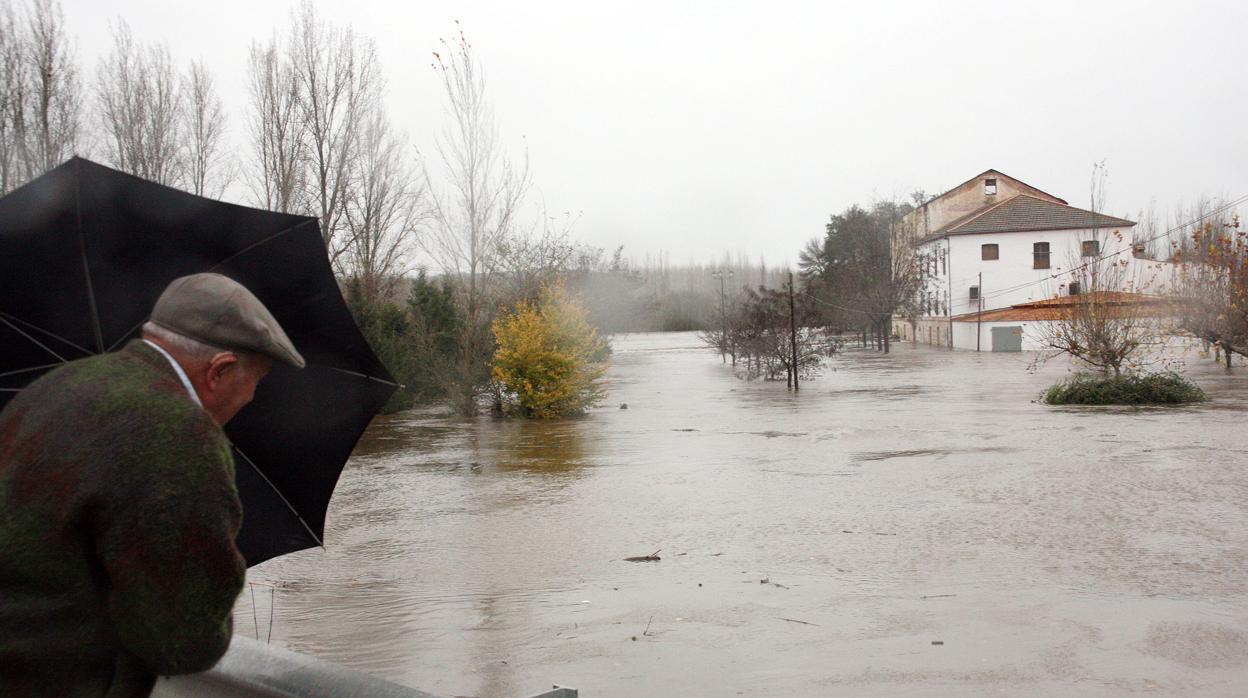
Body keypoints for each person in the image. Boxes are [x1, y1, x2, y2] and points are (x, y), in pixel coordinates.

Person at [0, 273, 305, 697]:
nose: (253, 396)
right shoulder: (180, 436)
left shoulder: (52, 387)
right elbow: (185, 647)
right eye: (258, 378)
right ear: (220, 370)